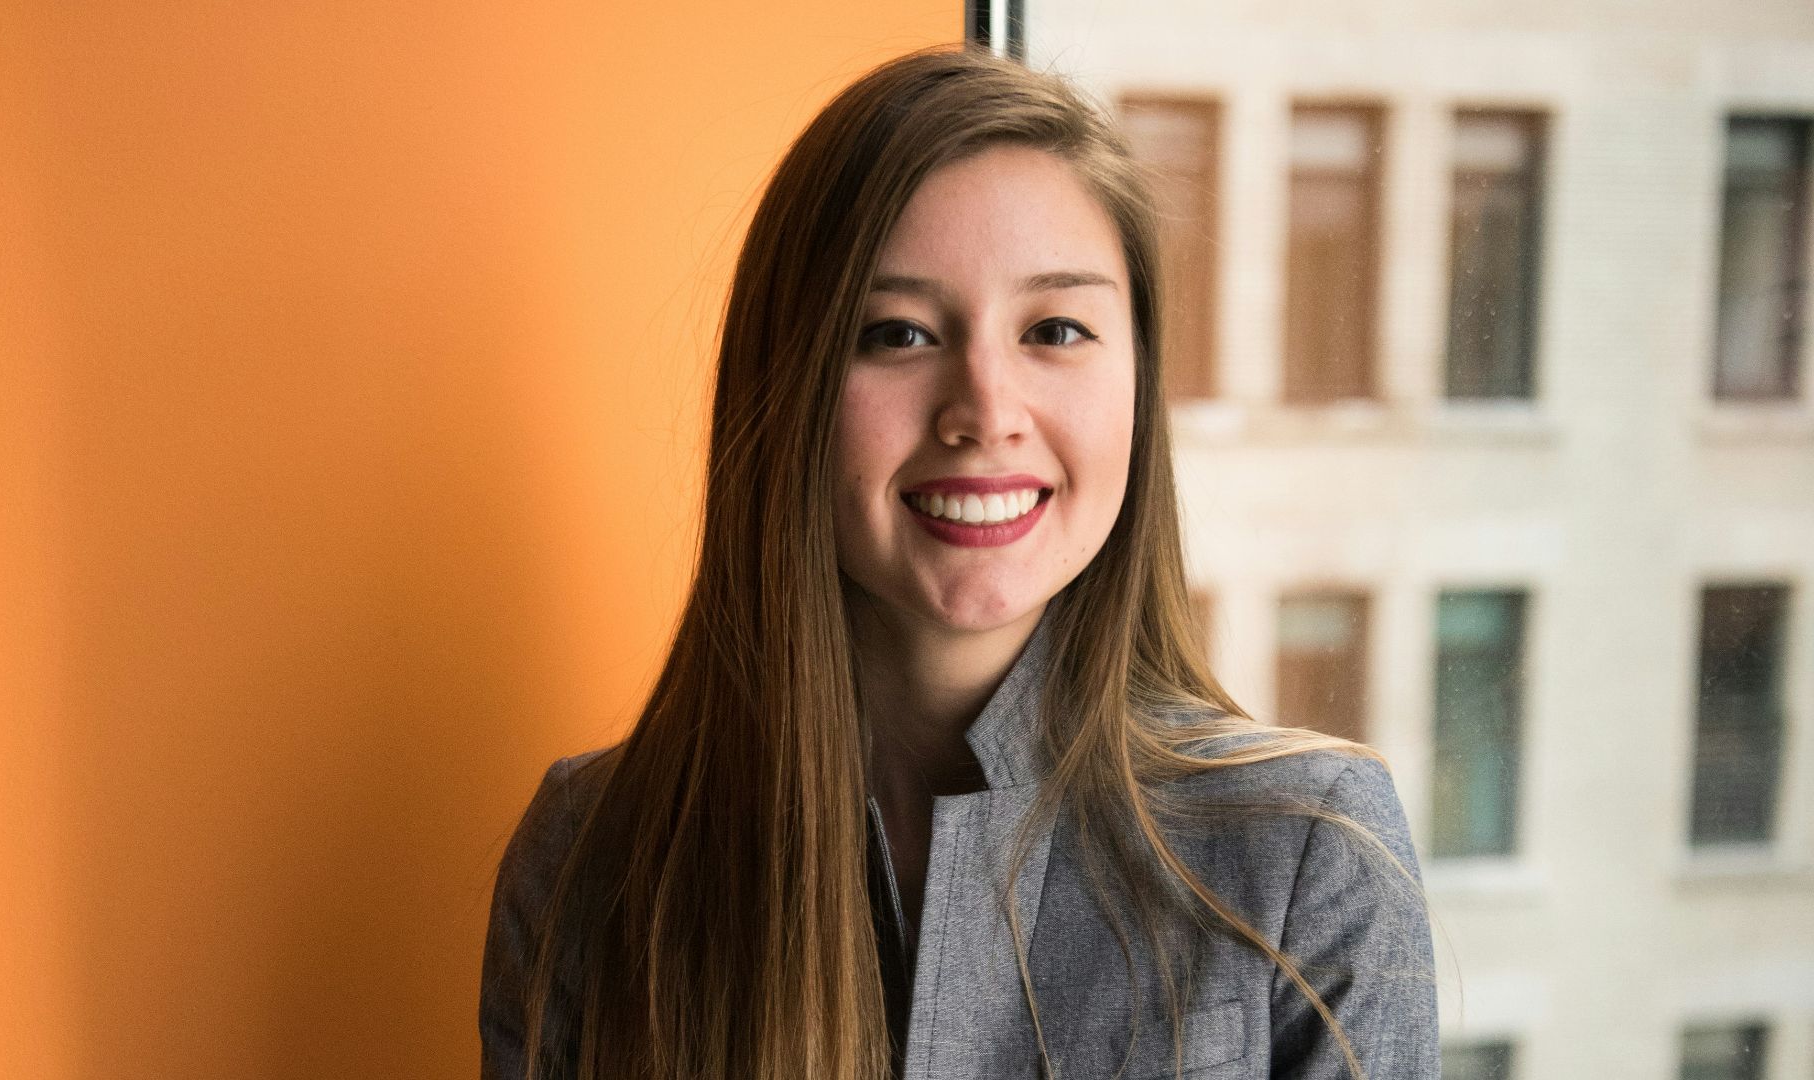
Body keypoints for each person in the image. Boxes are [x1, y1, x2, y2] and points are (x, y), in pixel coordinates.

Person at [480, 46, 1439, 1080]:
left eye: (1055, 330)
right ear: (787, 386)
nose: (983, 413)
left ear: (1135, 388)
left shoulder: (1310, 855)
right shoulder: (592, 859)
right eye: (898, 333)